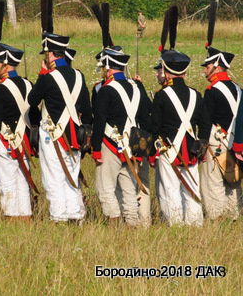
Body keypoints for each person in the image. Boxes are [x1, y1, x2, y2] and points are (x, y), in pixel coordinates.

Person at [27, 31, 92, 223]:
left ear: (50, 55)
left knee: (53, 178)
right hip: (75, 136)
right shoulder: (79, 76)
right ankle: (74, 216)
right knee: (71, 178)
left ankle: (59, 218)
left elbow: (32, 100)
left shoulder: (48, 77)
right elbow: (87, 109)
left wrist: (42, 74)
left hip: (52, 136)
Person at [91, 47, 152, 226]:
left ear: (109, 67)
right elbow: (144, 119)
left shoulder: (106, 90)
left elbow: (99, 122)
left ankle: (114, 224)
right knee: (128, 189)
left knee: (105, 188)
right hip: (132, 146)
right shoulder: (136, 87)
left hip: (110, 145)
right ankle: (132, 223)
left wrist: (96, 149)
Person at [150, 49, 210, 226]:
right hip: (192, 149)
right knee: (191, 189)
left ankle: (174, 225)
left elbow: (155, 128)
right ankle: (194, 224)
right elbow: (205, 125)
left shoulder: (161, 96)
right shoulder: (195, 95)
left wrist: (154, 151)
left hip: (168, 149)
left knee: (170, 190)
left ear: (167, 71)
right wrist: (202, 145)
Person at [0, 43, 40, 220]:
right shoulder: (28, 83)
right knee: (23, 182)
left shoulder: (0, 88)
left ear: (6, 64)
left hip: (5, 141)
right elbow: (34, 115)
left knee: (6, 183)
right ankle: (25, 217)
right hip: (24, 141)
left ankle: (11, 217)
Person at [199, 45, 241, 220]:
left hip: (217, 142)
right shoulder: (238, 89)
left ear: (217, 67)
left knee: (212, 182)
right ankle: (234, 216)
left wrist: (202, 145)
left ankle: (216, 218)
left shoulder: (212, 91)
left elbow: (206, 121)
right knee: (233, 180)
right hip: (236, 142)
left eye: (207, 67)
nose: (205, 72)